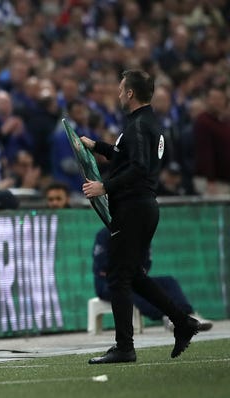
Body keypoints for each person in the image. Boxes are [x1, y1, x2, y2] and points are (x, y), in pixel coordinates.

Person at [80, 69, 204, 364]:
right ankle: (182, 322)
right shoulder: (148, 124)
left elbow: (137, 168)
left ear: (130, 93)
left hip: (133, 207)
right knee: (133, 274)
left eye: (122, 89)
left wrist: (104, 186)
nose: (120, 94)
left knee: (118, 278)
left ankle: (124, 346)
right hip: (145, 206)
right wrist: (97, 146)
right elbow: (128, 158)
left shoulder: (137, 126)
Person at [92, 227, 213, 331]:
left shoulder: (140, 234)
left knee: (168, 281)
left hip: (133, 277)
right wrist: (128, 270)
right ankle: (170, 317)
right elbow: (101, 265)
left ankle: (187, 314)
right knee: (130, 288)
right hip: (107, 283)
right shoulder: (106, 233)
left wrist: (136, 272)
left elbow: (146, 262)